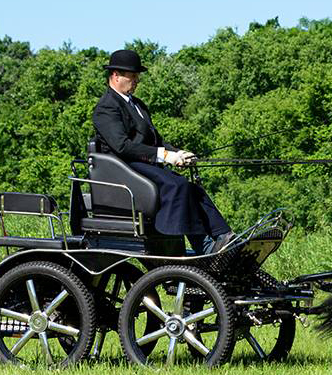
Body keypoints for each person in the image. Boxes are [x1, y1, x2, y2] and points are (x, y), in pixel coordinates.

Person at [91, 49, 234, 253]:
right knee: (178, 185)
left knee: (193, 189)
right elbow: (122, 146)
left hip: (142, 163)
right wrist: (165, 156)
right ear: (115, 76)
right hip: (124, 167)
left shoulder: (138, 104)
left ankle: (224, 236)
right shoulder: (106, 107)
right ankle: (203, 245)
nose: (137, 80)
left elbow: (155, 140)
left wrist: (178, 153)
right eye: (133, 76)